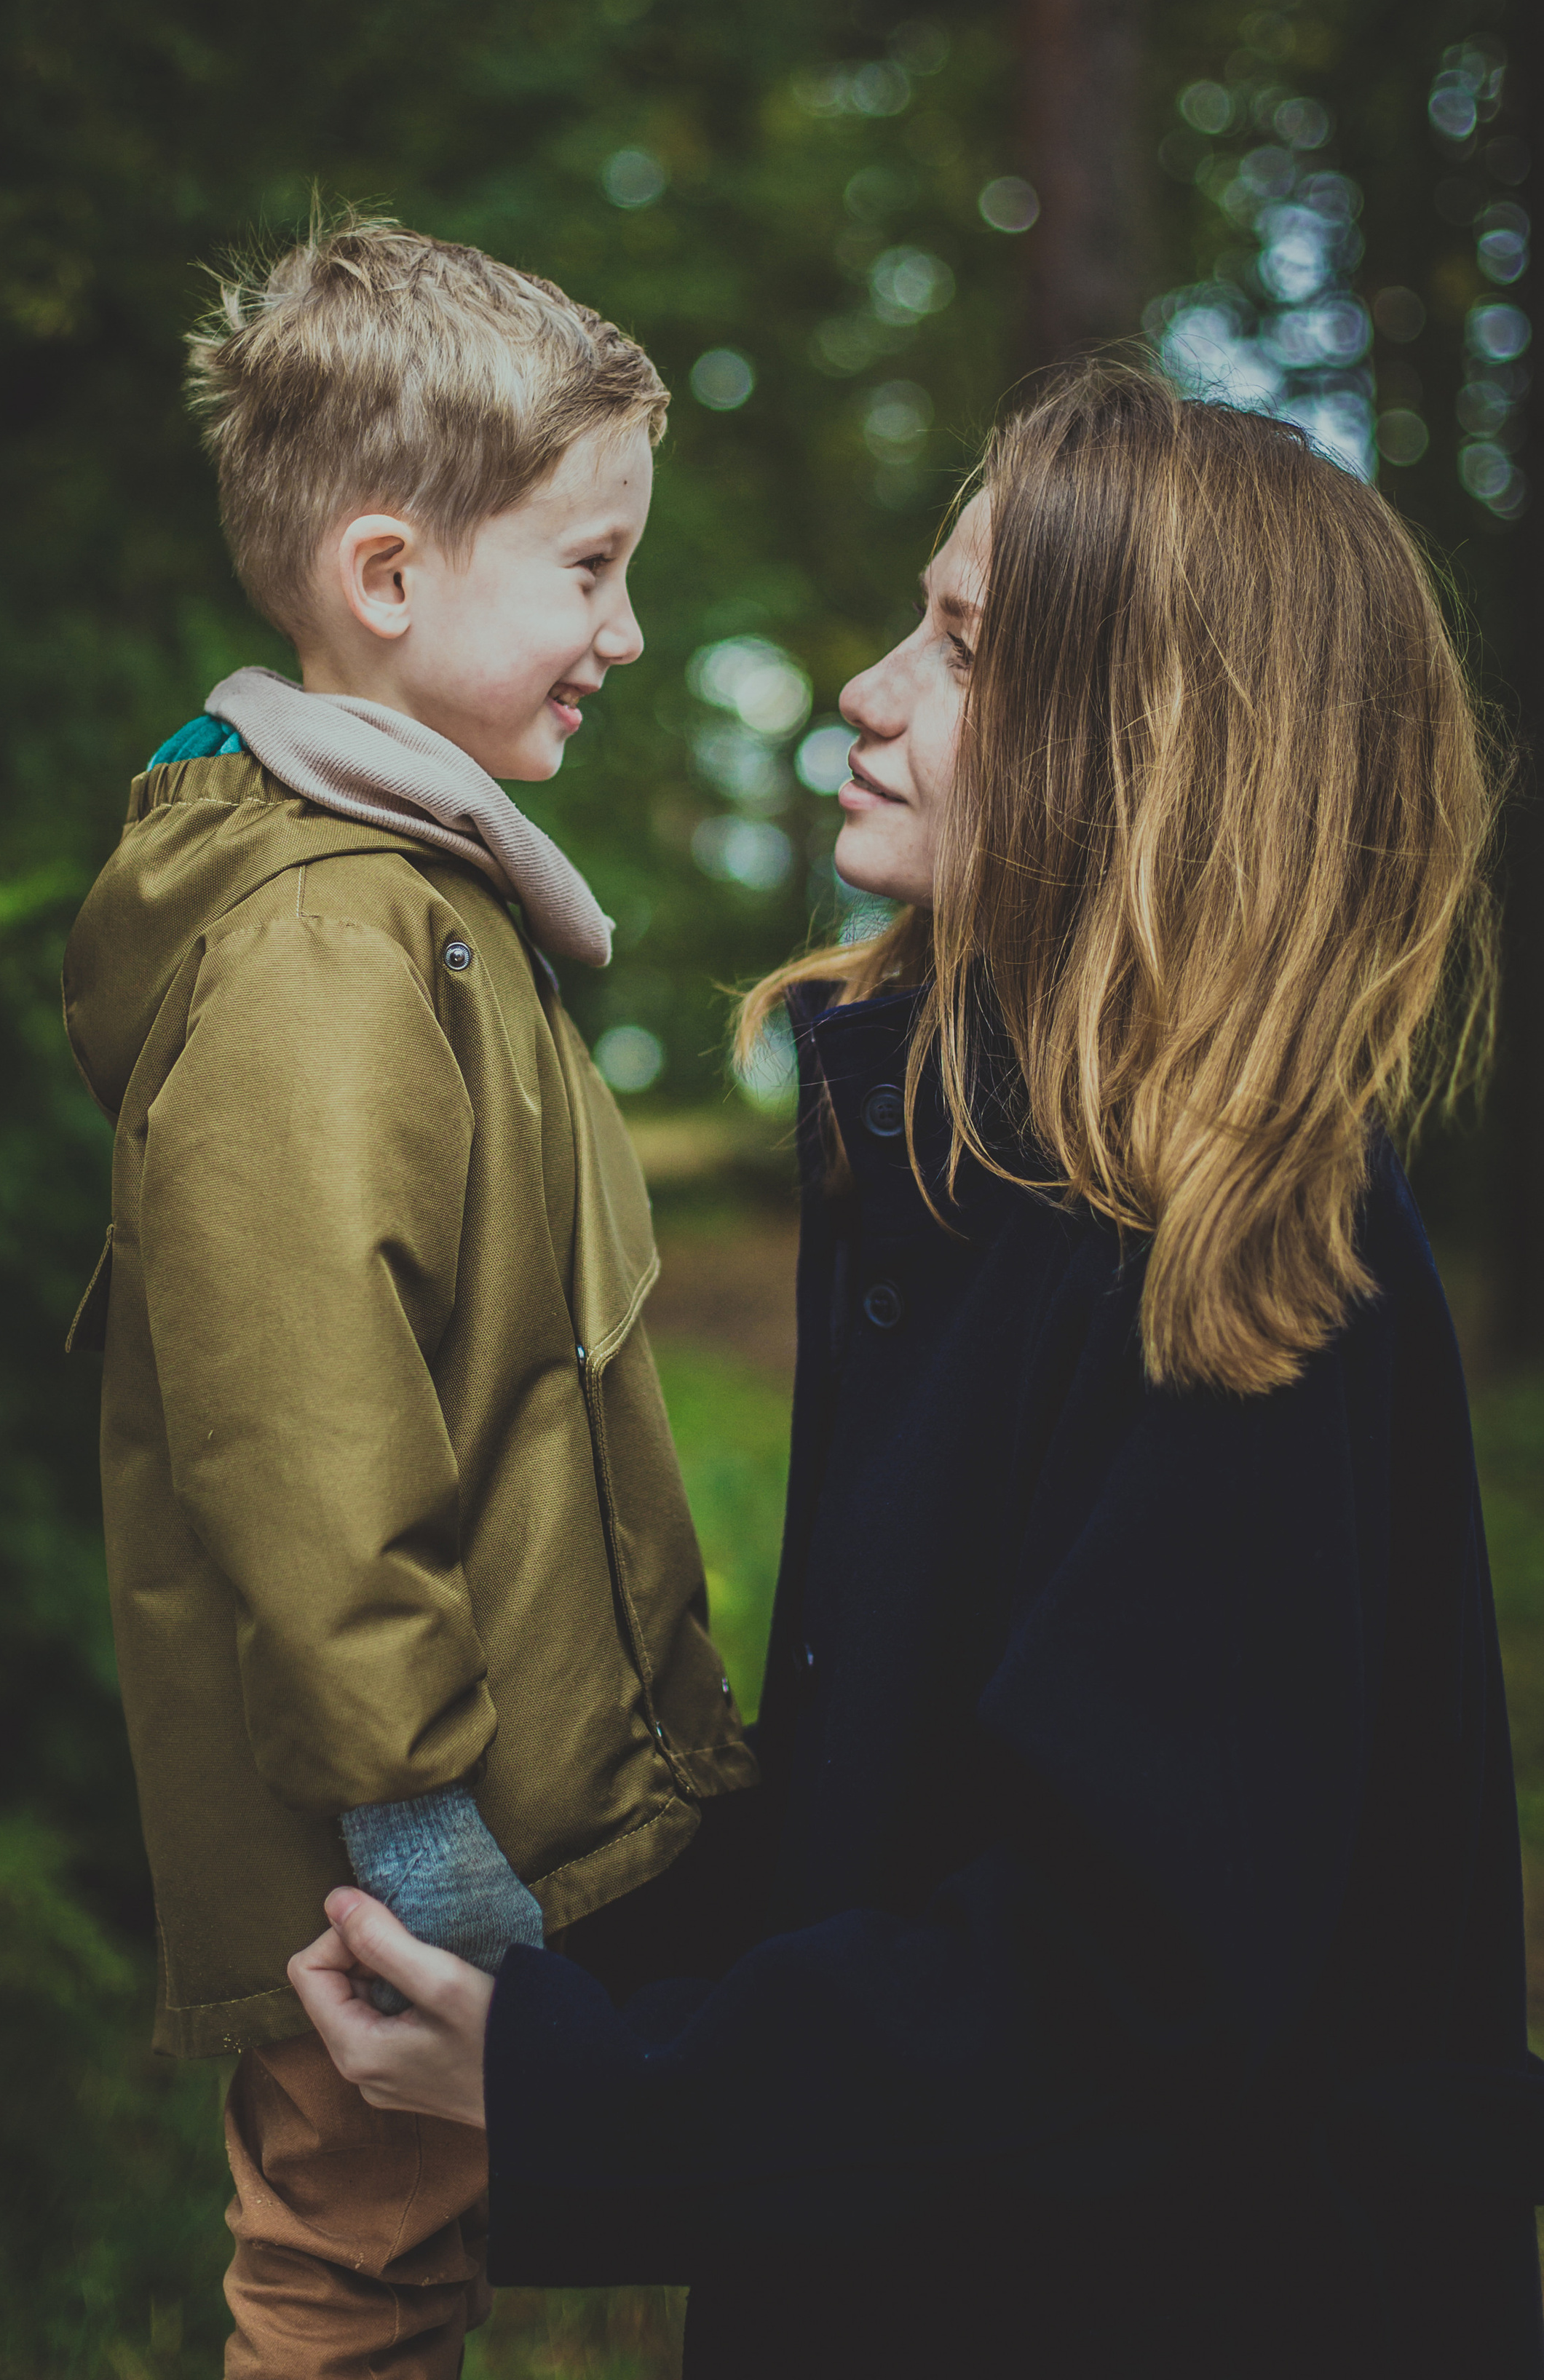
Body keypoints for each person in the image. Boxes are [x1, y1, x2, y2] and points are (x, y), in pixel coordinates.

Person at [290, 365, 1544, 2378]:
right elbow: (911, 1821)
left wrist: (579, 2086)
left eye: (957, 646)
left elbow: (1119, 1988)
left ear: (1149, 749)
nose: (864, 694)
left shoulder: (1241, 1243)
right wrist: (566, 1949)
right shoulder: (989, 1164)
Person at [60, 213, 754, 2377]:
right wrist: (417, 1817)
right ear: (387, 577)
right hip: (398, 1855)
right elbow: (300, 1414)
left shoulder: (416, 901)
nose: (627, 631)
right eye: (586, 568)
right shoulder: (321, 936)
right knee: (353, 2284)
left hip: (477, 1802)